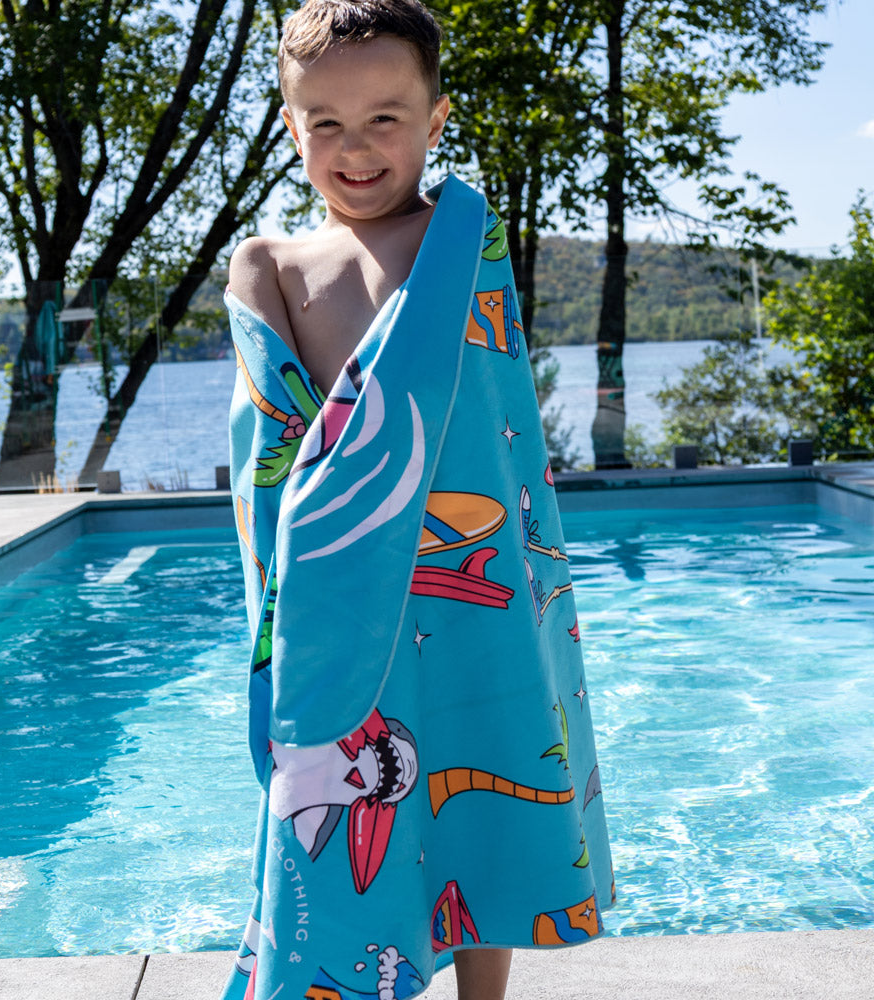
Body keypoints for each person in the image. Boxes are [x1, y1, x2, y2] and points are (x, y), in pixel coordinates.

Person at [222, 3, 614, 999]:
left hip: (467, 586)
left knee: (484, 772)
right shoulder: (270, 267)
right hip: (335, 599)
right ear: (290, 128)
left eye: (385, 119)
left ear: (436, 121)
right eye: (325, 123)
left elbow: (493, 426)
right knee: (326, 807)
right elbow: (267, 453)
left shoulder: (459, 237)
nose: (356, 149)